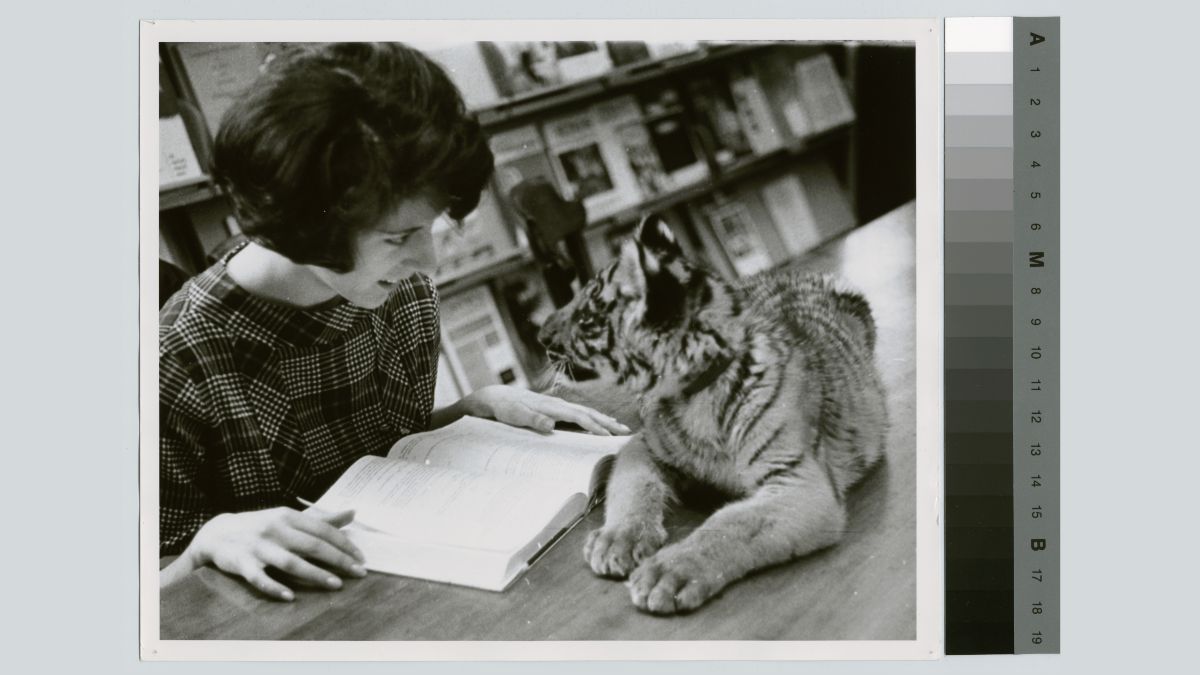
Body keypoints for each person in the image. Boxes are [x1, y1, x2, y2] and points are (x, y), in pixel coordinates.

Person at [158, 42, 628, 601]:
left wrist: (463, 414)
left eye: (429, 228)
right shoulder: (177, 359)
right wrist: (207, 541)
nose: (428, 263)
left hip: (410, 597)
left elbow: (372, 460)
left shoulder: (398, 291)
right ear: (307, 224)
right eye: (400, 237)